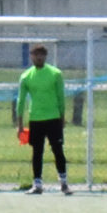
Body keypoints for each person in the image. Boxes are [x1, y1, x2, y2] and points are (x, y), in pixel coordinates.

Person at [17, 44, 70, 195]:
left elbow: (60, 97)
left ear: (45, 56)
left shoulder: (55, 74)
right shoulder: (26, 76)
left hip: (53, 118)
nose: (38, 57)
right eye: (36, 55)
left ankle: (64, 183)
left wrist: (62, 116)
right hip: (36, 119)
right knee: (37, 152)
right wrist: (20, 124)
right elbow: (21, 100)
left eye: (41, 55)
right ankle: (37, 184)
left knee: (58, 150)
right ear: (31, 56)